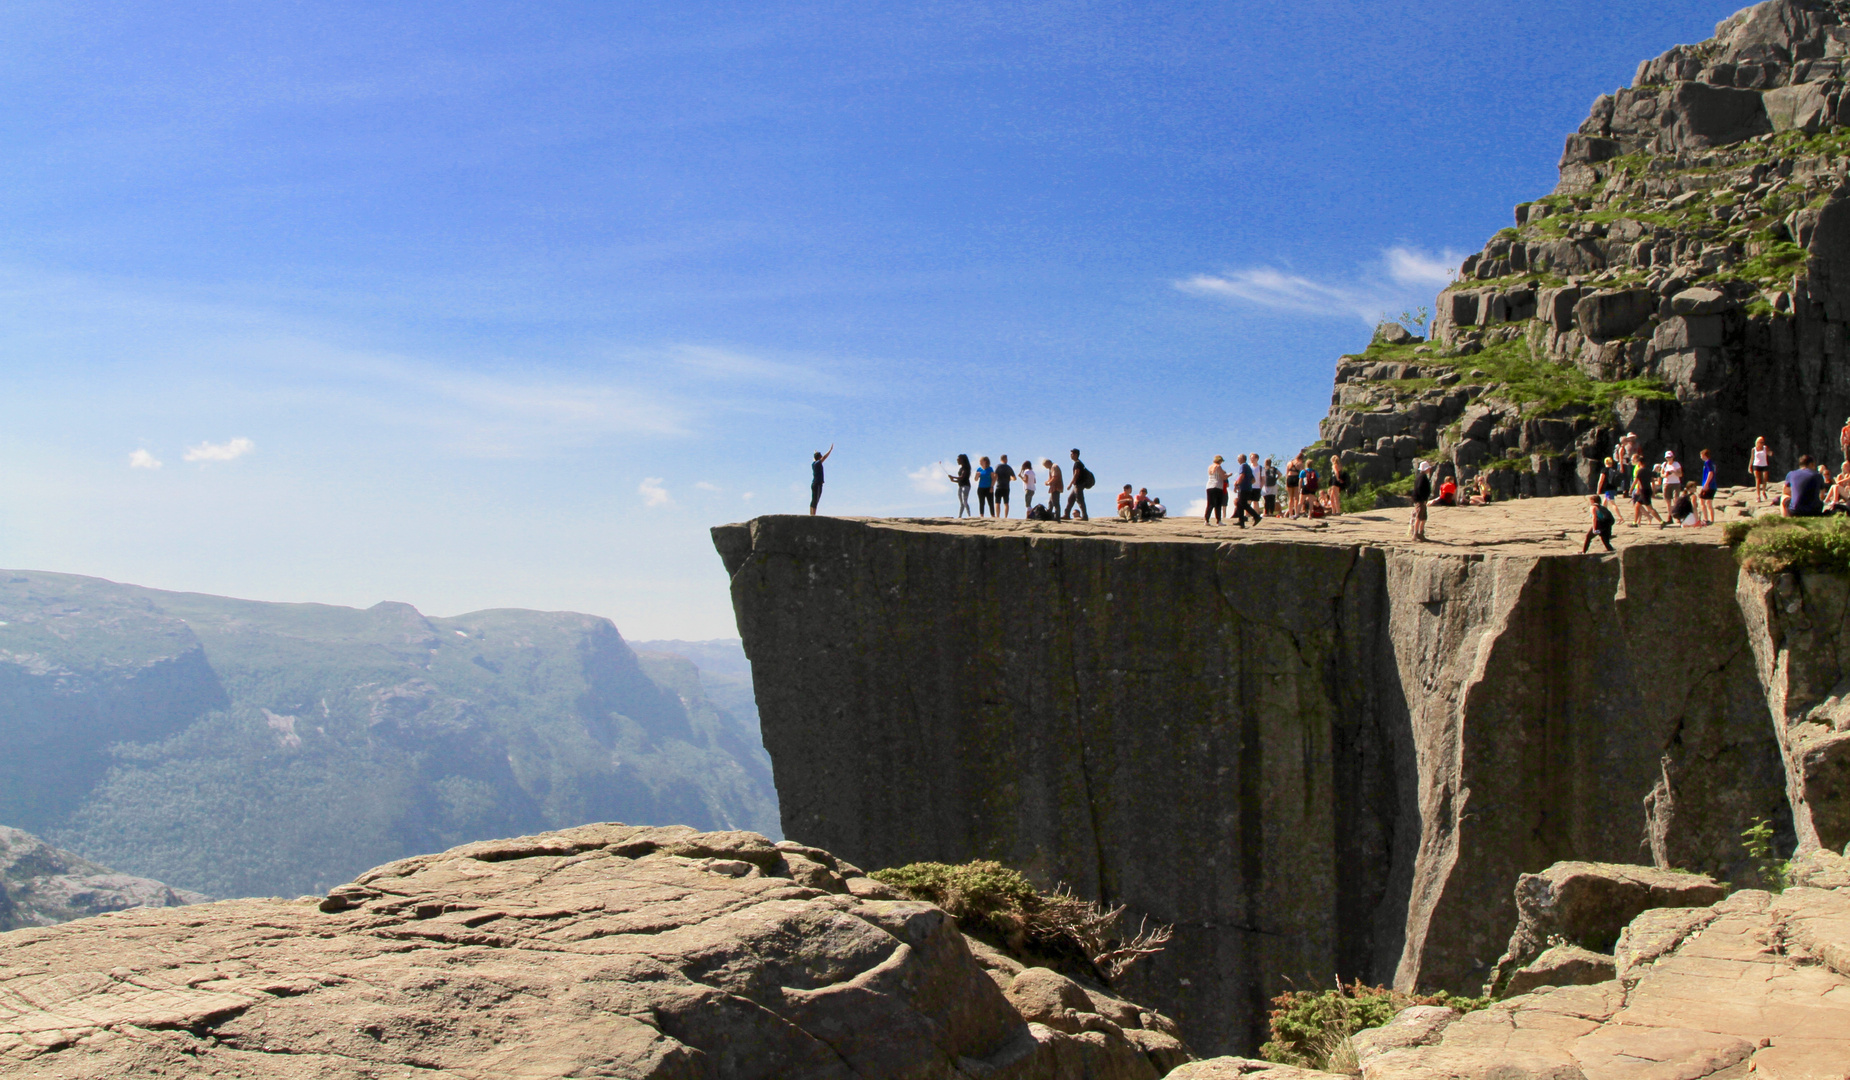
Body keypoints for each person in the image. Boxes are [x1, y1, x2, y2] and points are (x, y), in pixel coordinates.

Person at [1631, 455, 1664, 527]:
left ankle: (1661, 521)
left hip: (1644, 491)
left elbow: (1636, 481)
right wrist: (1654, 491)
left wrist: (1631, 489)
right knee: (1637, 505)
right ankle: (1634, 523)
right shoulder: (1648, 470)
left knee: (1650, 508)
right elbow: (1652, 481)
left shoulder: (1640, 471)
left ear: (1639, 462)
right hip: (1648, 490)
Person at [1235, 453, 1260, 527]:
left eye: (1238, 458)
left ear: (1242, 459)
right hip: (1248, 488)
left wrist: (1237, 484)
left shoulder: (1243, 466)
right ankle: (1241, 521)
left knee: (1243, 504)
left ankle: (1256, 516)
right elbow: (1253, 480)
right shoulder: (1248, 467)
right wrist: (1248, 484)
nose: (1237, 460)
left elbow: (1242, 475)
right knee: (1240, 504)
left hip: (1244, 489)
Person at [1065, 449, 1091, 520]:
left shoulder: (1078, 463)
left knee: (1080, 500)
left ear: (1076, 454)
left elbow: (1076, 474)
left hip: (1078, 484)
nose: (1071, 456)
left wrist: (1070, 484)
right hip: (1077, 485)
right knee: (1070, 499)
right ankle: (1066, 514)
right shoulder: (1078, 463)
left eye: (1072, 454)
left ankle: (1085, 516)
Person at [1409, 461, 1432, 541]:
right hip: (1420, 500)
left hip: (1421, 500)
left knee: (1424, 517)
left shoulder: (1420, 476)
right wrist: (1423, 498)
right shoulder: (1422, 477)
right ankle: (1415, 534)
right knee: (1419, 517)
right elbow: (1419, 489)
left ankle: (1421, 533)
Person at [809, 444, 834, 516]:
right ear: (819, 457)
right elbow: (825, 457)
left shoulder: (813, 463)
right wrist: (830, 450)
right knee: (816, 499)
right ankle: (813, 515)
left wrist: (815, 452)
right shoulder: (818, 463)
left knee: (813, 499)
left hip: (814, 483)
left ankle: (811, 514)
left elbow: (815, 458)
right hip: (818, 484)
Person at [1205, 456, 1229, 524]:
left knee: (1210, 504)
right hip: (1217, 486)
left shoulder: (1210, 467)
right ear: (1220, 461)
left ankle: (1206, 520)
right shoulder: (1218, 467)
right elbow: (1223, 477)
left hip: (1209, 486)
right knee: (1218, 504)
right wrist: (1229, 475)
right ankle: (1218, 520)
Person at [1697, 449, 1717, 524]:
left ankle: (1706, 519)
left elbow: (1710, 473)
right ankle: (1711, 520)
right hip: (1713, 485)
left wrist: (1706, 484)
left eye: (1701, 455)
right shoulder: (1712, 462)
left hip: (1708, 485)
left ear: (1704, 455)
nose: (1700, 457)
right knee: (1709, 503)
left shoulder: (1707, 462)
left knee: (1702, 501)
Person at [1752, 436, 1771, 503]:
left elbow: (1769, 453)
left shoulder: (1765, 448)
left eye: (1763, 442)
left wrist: (1770, 453)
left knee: (1765, 479)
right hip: (1756, 465)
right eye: (1761, 442)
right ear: (1757, 442)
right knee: (1758, 480)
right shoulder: (1754, 449)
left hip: (1764, 465)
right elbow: (1752, 459)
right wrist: (1750, 467)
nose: (1762, 443)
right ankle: (1758, 496)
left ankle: (1763, 491)